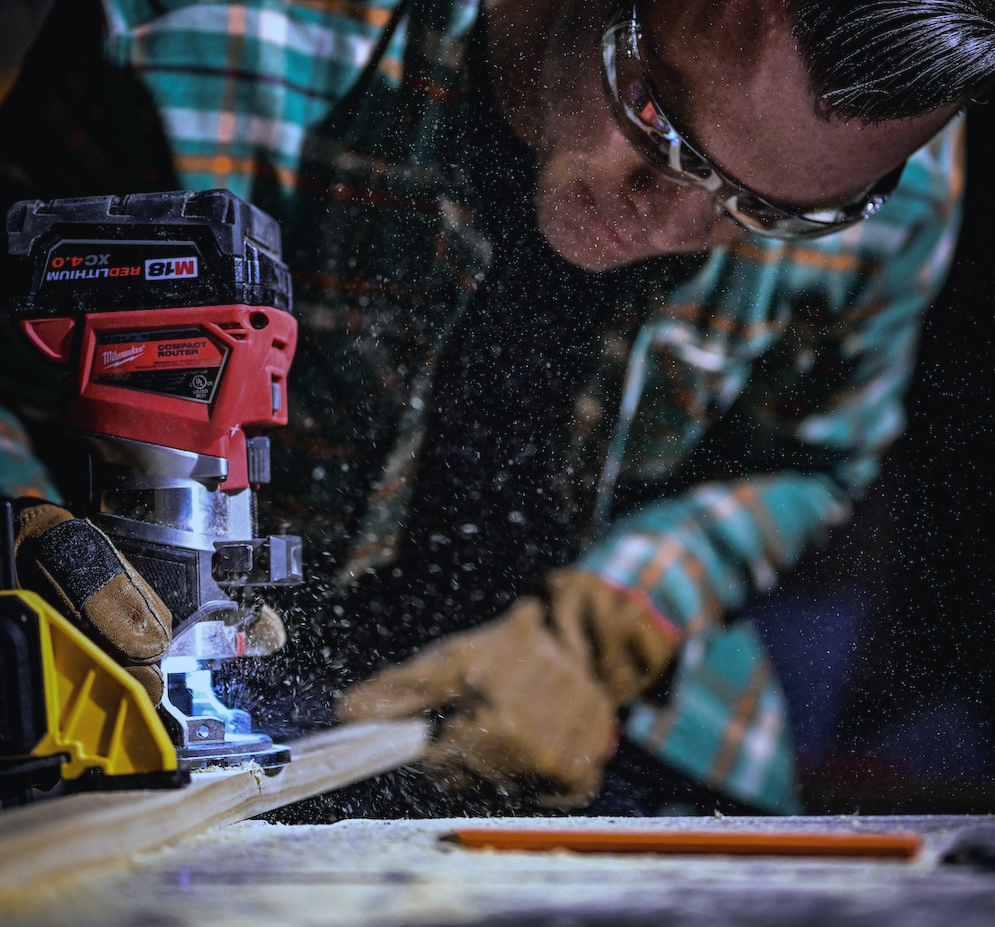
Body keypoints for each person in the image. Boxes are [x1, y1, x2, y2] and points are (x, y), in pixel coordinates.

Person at [1, 0, 991, 817]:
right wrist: (22, 514)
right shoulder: (200, 46)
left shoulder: (878, 187)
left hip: (619, 733)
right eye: (658, 119)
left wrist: (600, 630)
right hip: (184, 710)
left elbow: (809, 459)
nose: (673, 222)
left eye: (765, 212)